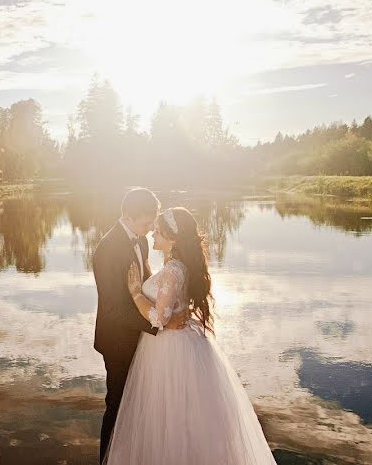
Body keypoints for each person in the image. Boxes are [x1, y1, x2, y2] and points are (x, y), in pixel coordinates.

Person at [103, 207, 276, 464]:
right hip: (178, 341)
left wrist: (136, 293)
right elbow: (170, 302)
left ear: (173, 239)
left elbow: (159, 318)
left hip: (168, 348)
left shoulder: (173, 270)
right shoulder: (176, 266)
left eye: (159, 232)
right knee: (181, 416)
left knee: (169, 414)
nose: (153, 235)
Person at [93, 188, 185, 463]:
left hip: (143, 335)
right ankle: (107, 458)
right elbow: (112, 309)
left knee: (141, 404)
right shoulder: (106, 250)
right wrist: (161, 324)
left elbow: (145, 286)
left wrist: (168, 304)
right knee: (118, 404)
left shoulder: (141, 242)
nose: (149, 230)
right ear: (127, 216)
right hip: (118, 341)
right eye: (146, 223)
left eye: (151, 224)